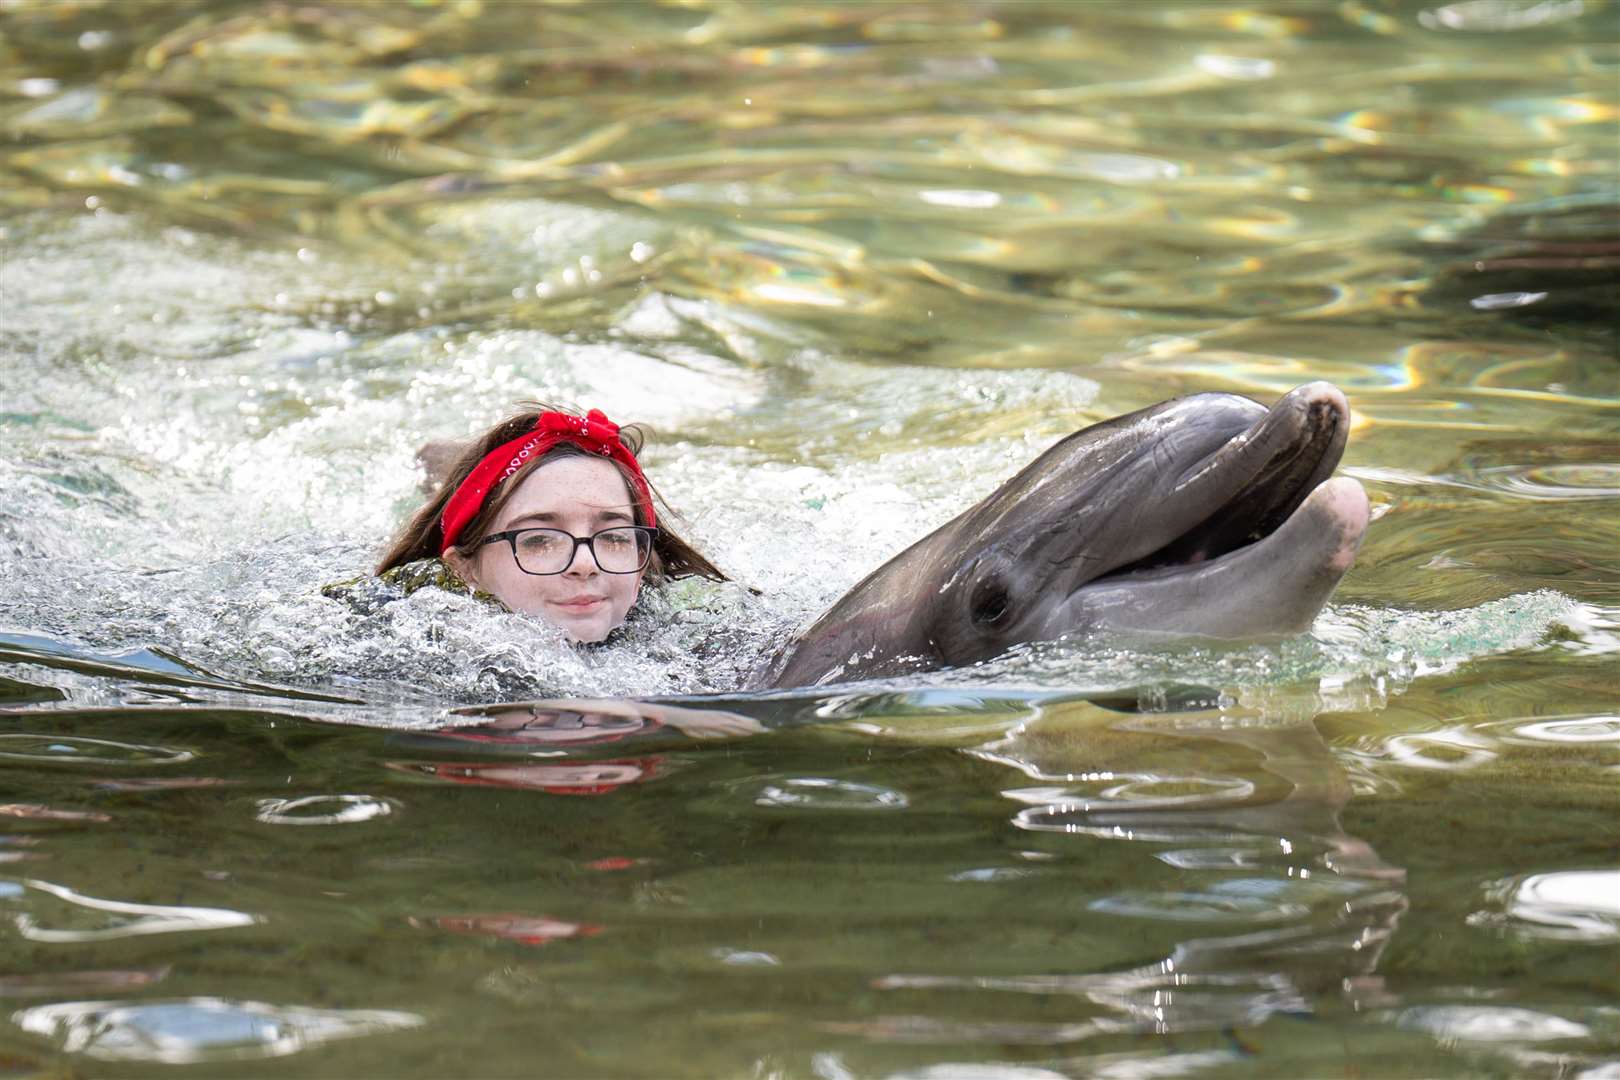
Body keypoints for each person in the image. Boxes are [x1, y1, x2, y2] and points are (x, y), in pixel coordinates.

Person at [373, 406, 727, 643]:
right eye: (539, 540)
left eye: (615, 536)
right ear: (466, 568)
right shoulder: (404, 643)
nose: (584, 565)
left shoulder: (705, 639)